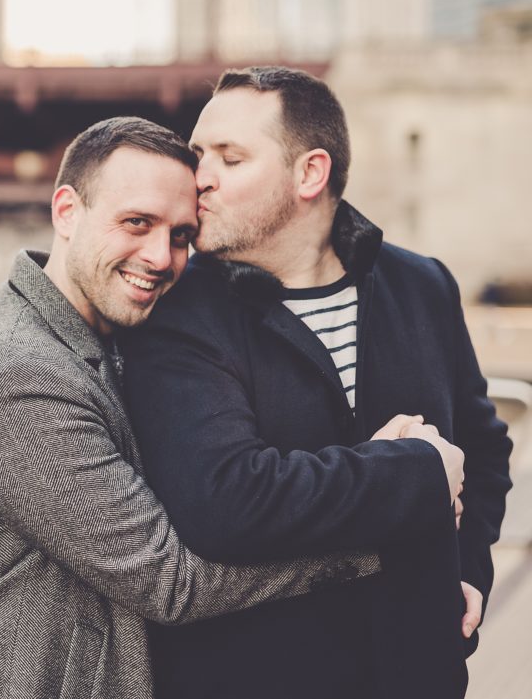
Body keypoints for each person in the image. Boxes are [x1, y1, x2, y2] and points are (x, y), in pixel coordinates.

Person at [0, 116, 429, 699]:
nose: (160, 257)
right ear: (67, 212)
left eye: (180, 236)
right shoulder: (16, 373)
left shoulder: (115, 344)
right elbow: (170, 581)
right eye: (136, 223)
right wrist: (383, 532)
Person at [121, 68, 512, 699]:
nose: (201, 178)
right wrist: (414, 471)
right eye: (198, 155)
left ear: (310, 174)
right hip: (255, 677)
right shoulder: (176, 311)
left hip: (417, 672)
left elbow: (483, 449)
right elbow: (226, 503)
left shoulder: (423, 286)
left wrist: (467, 571)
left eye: (231, 157)